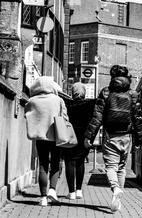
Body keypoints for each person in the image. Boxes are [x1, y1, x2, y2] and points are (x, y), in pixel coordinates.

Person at [84, 65, 142, 213]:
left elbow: (97, 117)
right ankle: (118, 200)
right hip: (127, 136)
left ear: (112, 77)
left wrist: (89, 136)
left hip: (111, 135)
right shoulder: (133, 94)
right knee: (121, 168)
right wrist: (139, 139)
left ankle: (116, 189)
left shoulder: (106, 92)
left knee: (111, 167)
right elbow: (138, 118)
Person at [25, 76, 68, 206]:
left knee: (43, 165)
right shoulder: (58, 100)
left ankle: (43, 198)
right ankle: (52, 190)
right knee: (55, 163)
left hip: (40, 136)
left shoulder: (31, 101)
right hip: (56, 135)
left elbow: (26, 114)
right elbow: (65, 117)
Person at [62, 81, 96, 200]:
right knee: (80, 162)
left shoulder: (67, 104)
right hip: (83, 137)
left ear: (72, 92)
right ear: (84, 93)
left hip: (69, 136)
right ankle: (79, 191)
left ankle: (71, 192)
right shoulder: (90, 104)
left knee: (70, 162)